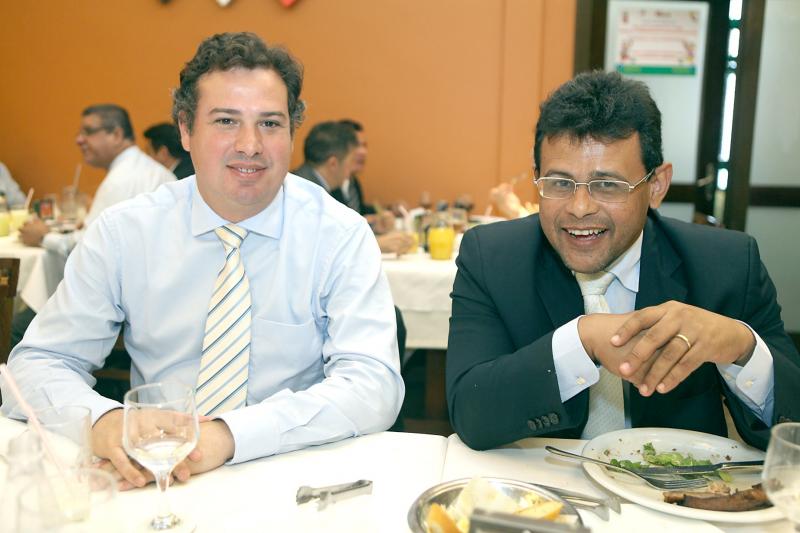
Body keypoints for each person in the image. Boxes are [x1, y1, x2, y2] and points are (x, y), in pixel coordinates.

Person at [1, 32, 403, 489]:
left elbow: (374, 385)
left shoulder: (339, 235)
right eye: (226, 121)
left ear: (292, 132)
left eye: (270, 124)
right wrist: (103, 421)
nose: (250, 145)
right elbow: (36, 364)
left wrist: (228, 435)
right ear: (186, 131)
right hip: (154, 472)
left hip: (291, 477)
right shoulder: (125, 233)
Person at [447, 70, 799, 452]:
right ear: (537, 179)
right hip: (541, 483)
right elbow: (470, 413)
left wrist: (742, 348)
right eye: (560, 183)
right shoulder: (493, 257)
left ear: (656, 186)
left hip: (674, 484)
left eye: (607, 185)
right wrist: (581, 341)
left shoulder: (726, 265)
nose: (579, 208)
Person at [18, 104, 176, 257]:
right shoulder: (147, 168)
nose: (79, 140)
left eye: (88, 131)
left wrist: (43, 237)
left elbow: (92, 248)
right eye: (79, 133)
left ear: (117, 135)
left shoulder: (121, 178)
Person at [293, 122, 415, 255]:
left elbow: (336, 230)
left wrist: (373, 226)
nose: (352, 169)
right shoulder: (303, 193)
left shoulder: (312, 184)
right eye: (351, 161)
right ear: (333, 164)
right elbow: (310, 249)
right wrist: (374, 245)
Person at [332, 119, 373, 216]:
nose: (363, 152)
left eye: (364, 145)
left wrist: (389, 210)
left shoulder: (353, 181)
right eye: (356, 145)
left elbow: (359, 211)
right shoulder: (329, 183)